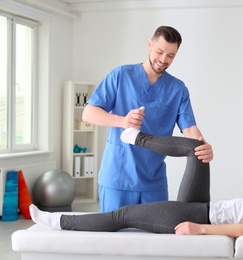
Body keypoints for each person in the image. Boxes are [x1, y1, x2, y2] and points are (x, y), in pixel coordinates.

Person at [30, 128, 243, 237]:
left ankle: (58, 221)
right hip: (204, 205)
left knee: (123, 216)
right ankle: (135, 137)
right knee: (198, 150)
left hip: (197, 218)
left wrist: (200, 229)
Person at [82, 26, 213, 212]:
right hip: (117, 176)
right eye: (160, 51)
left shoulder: (177, 89)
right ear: (149, 45)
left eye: (171, 56)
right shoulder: (121, 75)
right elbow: (88, 113)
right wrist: (122, 121)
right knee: (113, 239)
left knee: (154, 240)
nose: (163, 60)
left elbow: (190, 130)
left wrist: (202, 146)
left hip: (153, 181)